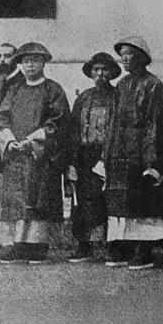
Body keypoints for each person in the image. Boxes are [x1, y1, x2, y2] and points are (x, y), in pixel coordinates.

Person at [102, 36, 163, 270]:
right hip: (121, 153)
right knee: (124, 203)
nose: (124, 59)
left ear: (142, 57)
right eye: (122, 54)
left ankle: (144, 251)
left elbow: (158, 125)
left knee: (145, 202)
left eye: (129, 54)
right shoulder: (122, 86)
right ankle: (125, 248)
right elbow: (113, 122)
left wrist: (153, 162)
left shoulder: (153, 85)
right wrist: (108, 153)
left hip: (143, 154)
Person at [0, 42, 70, 264]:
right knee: (16, 200)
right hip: (16, 156)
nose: (30, 65)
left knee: (38, 198)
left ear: (43, 62)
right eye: (26, 61)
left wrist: (32, 140)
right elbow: (1, 118)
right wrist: (10, 141)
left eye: (35, 60)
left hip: (39, 156)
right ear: (21, 64)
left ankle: (38, 245)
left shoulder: (53, 90)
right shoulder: (14, 90)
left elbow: (59, 122)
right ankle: (16, 244)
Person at [67, 52, 120, 263]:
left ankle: (114, 246)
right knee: (82, 202)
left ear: (112, 72)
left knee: (109, 200)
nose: (100, 74)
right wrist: (72, 162)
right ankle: (83, 245)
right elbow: (73, 131)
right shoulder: (83, 98)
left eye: (104, 69)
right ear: (90, 73)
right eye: (96, 70)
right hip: (84, 156)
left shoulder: (118, 96)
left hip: (109, 154)